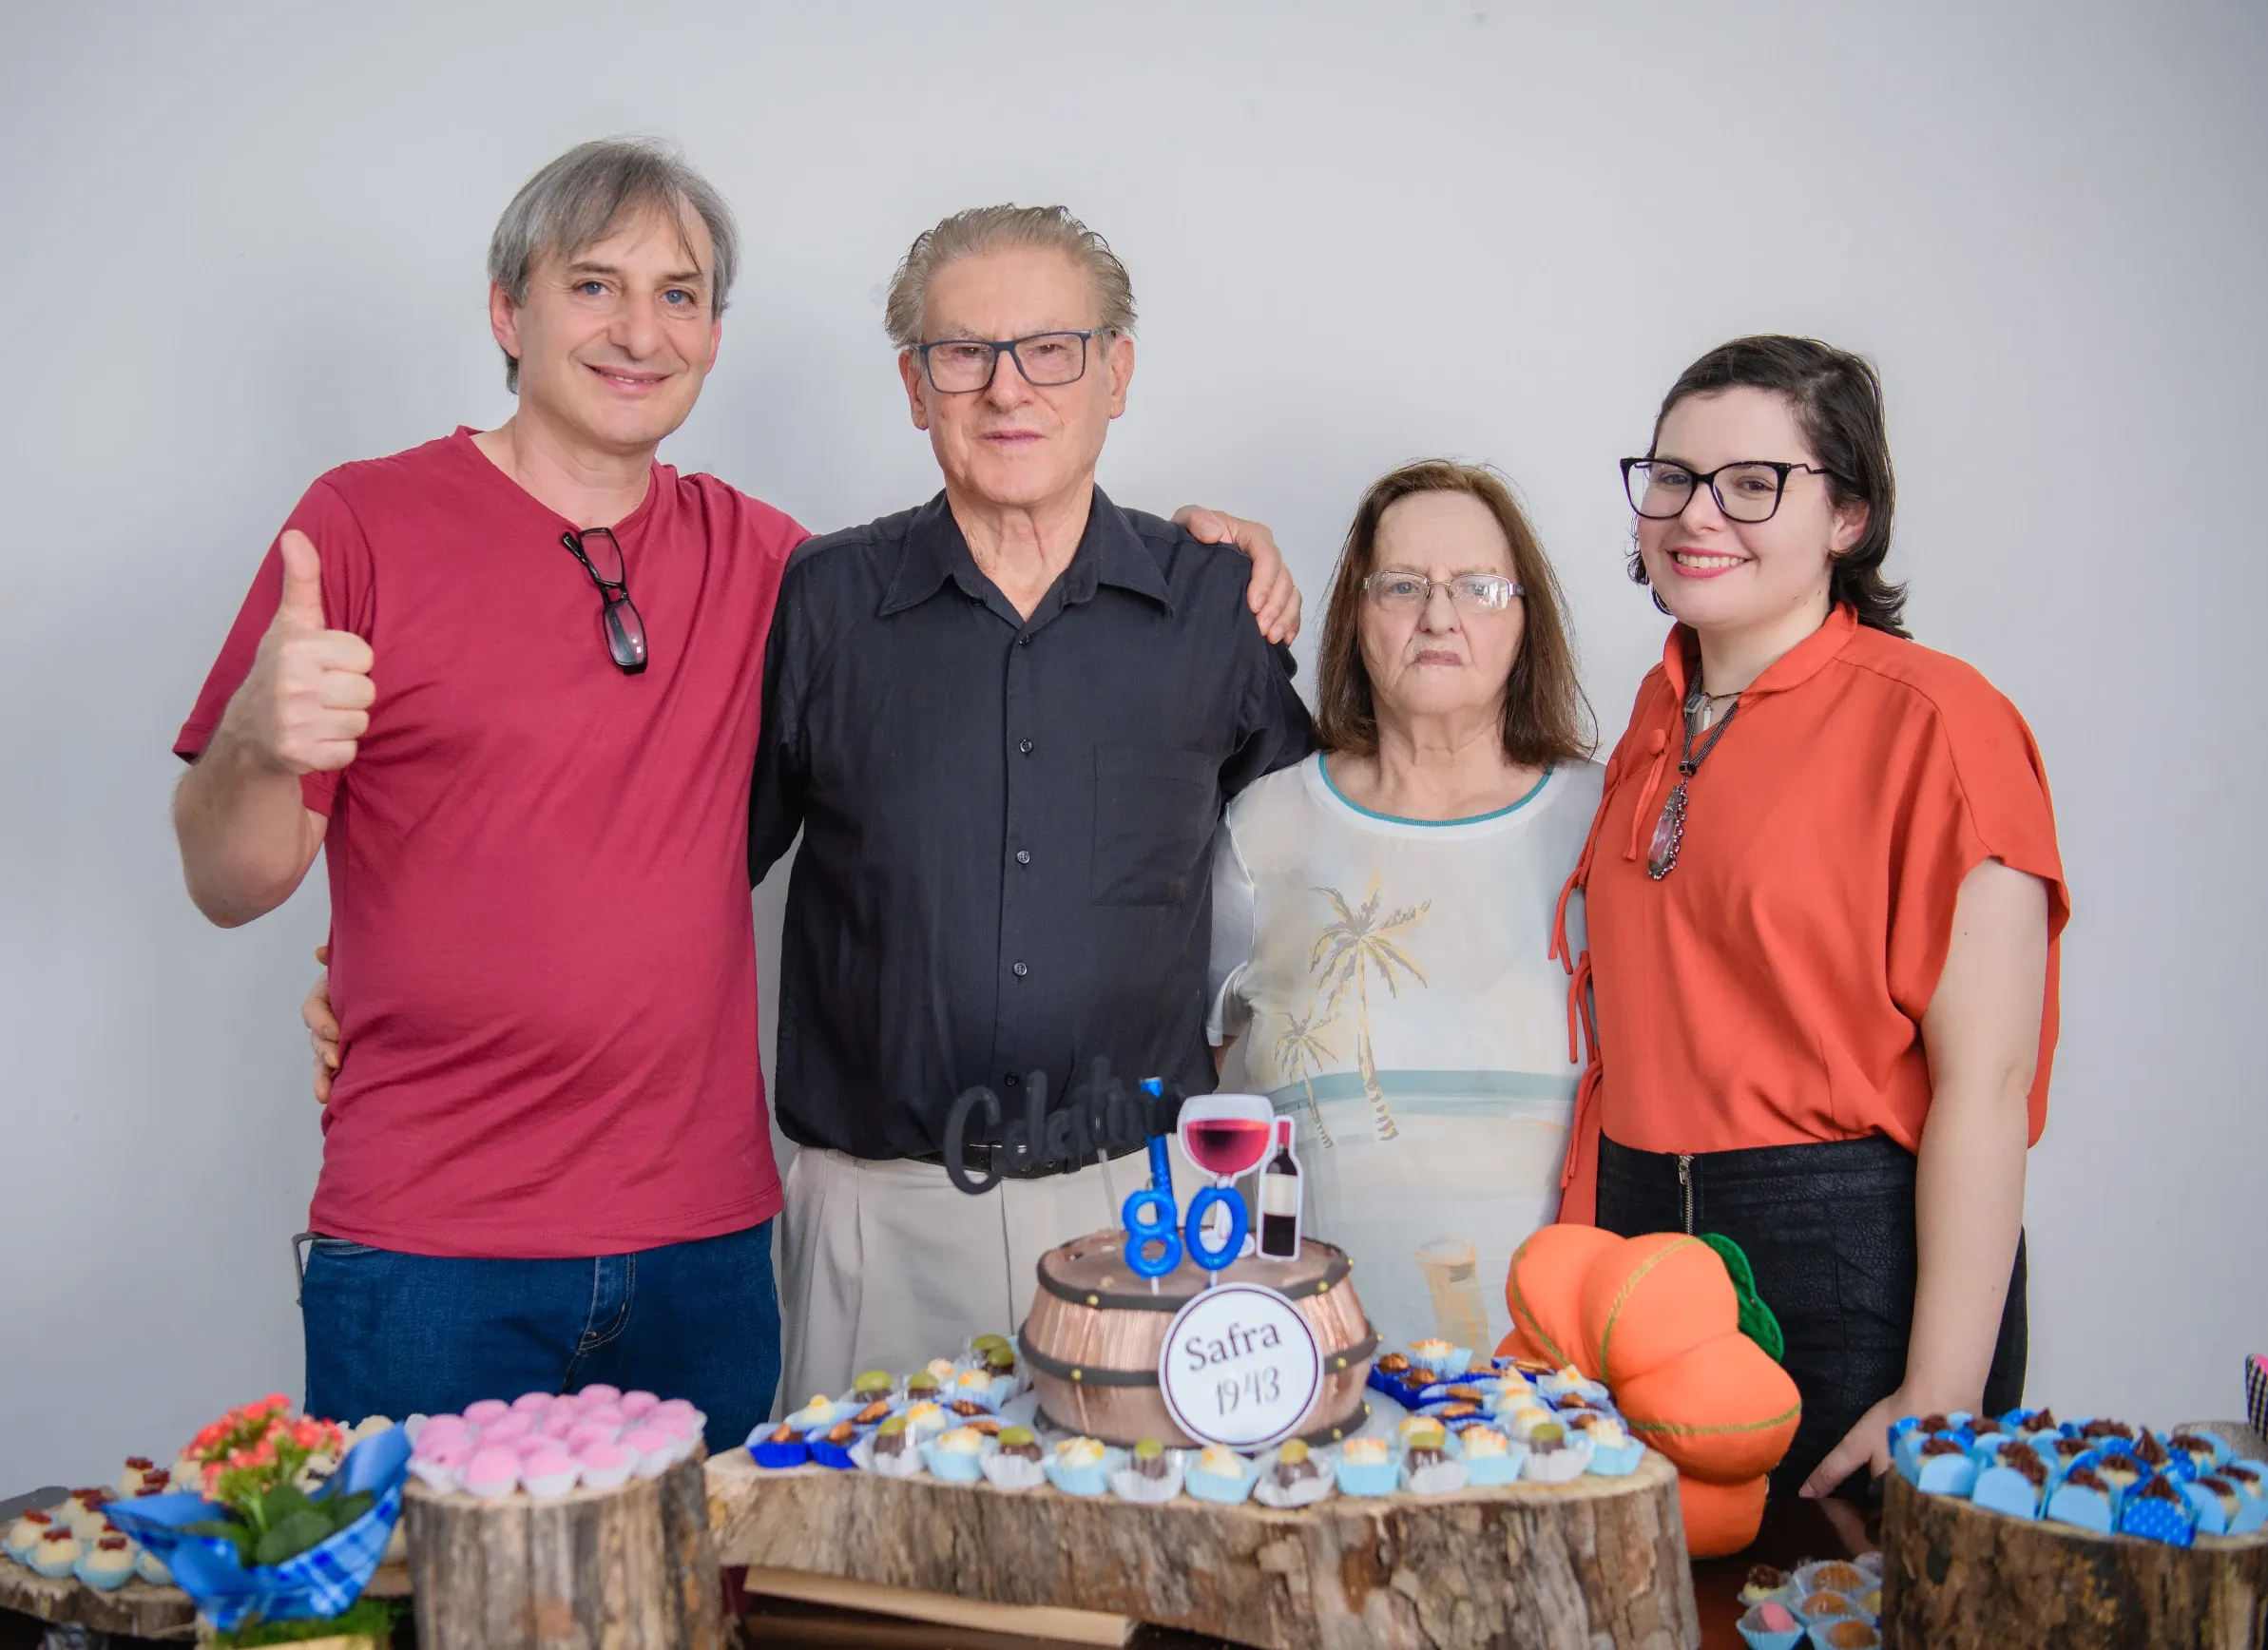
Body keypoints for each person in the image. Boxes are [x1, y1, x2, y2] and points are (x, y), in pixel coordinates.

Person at [191, 142, 1295, 1446]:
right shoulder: (396, 531)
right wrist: (274, 778)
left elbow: (1295, 862)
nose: (636, 330)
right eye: (593, 285)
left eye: (677, 293)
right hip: (495, 1233)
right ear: (508, 309)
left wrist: (1228, 559)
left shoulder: (807, 574)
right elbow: (253, 876)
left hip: (757, 1241)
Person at [748, 205, 1315, 1405]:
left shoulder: (1213, 602)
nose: (1009, 387)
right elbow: (686, 877)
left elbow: (1323, 877)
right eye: (964, 352)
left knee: (1137, 1582)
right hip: (875, 1216)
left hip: (1140, 1210)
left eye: (1051, 348)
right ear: (915, 385)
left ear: (1116, 372)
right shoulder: (823, 600)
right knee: (855, 1586)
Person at [1553, 336, 2066, 1499]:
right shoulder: (1659, 708)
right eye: (1673, 476)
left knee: (1846, 1610)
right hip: (1645, 1249)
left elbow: (1984, 1090)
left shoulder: (1939, 721)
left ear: (1848, 518)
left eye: (1753, 483)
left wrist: (1938, 1388)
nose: (1696, 514)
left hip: (1847, 1256)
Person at [1208, 460, 1599, 1353]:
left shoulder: (1604, 823)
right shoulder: (1270, 823)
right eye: (1402, 585)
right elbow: (1196, 1073)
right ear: (1356, 613)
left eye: (1478, 586)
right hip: (1304, 1356)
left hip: (1560, 1371)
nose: (1439, 614)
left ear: (1525, 616)